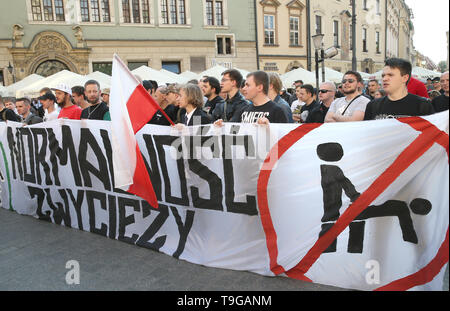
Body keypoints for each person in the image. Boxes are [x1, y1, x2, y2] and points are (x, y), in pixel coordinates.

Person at [364, 58, 435, 120]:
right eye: (383, 75)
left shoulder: (422, 105)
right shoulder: (372, 106)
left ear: (405, 78)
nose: (385, 79)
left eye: (390, 75)